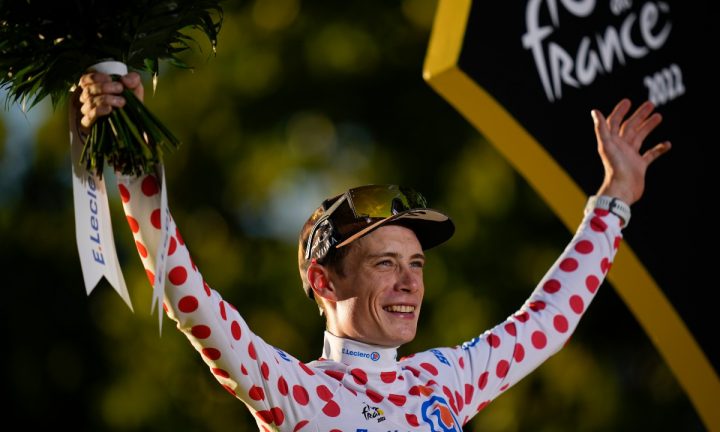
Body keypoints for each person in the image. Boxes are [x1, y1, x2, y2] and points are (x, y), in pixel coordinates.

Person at [74, 71, 670, 431]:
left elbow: (547, 320)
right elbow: (190, 300)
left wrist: (615, 199)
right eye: (385, 263)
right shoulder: (296, 392)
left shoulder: (446, 377)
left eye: (416, 265)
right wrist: (133, 163)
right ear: (324, 282)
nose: (410, 283)